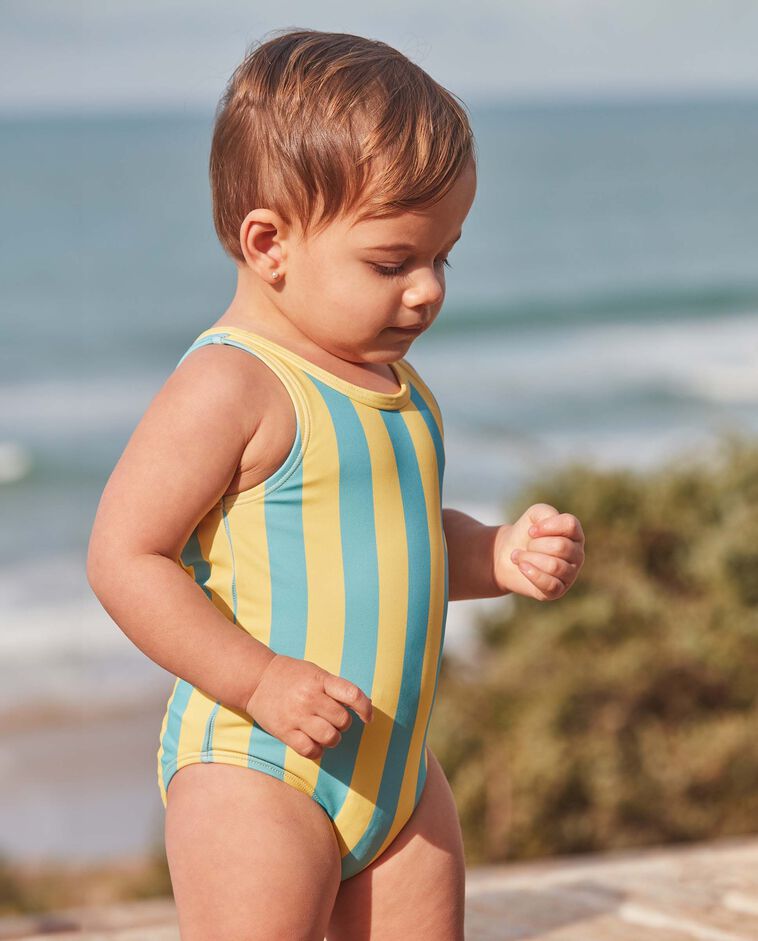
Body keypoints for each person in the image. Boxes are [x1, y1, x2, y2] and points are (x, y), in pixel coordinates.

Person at [86, 27, 585, 941]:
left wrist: (495, 554)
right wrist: (263, 678)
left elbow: (395, 535)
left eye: (445, 256)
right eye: (392, 262)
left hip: (396, 777)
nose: (428, 290)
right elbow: (126, 556)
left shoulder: (399, 388)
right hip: (258, 764)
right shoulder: (233, 383)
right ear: (269, 242)